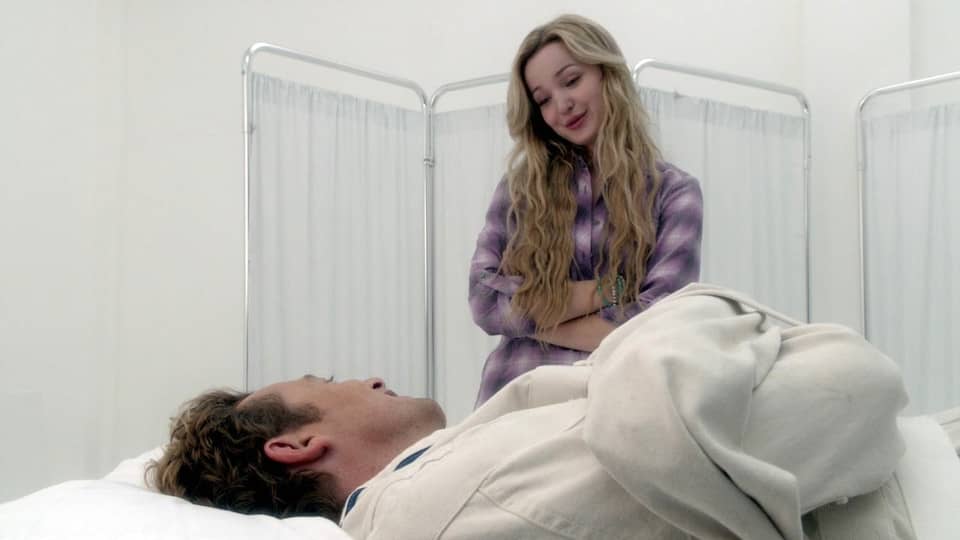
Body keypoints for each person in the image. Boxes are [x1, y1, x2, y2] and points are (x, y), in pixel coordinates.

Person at [150, 284, 912, 539]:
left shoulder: (451, 473)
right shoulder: (446, 507)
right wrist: (698, 309)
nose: (369, 377)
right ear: (296, 444)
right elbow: (850, 386)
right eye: (327, 380)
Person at [469, 14, 703, 406]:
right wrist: (611, 291)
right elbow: (484, 301)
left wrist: (530, 319)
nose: (562, 105)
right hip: (510, 401)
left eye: (572, 80)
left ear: (607, 73)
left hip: (614, 406)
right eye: (543, 100)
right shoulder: (520, 191)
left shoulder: (674, 194)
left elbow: (654, 322)